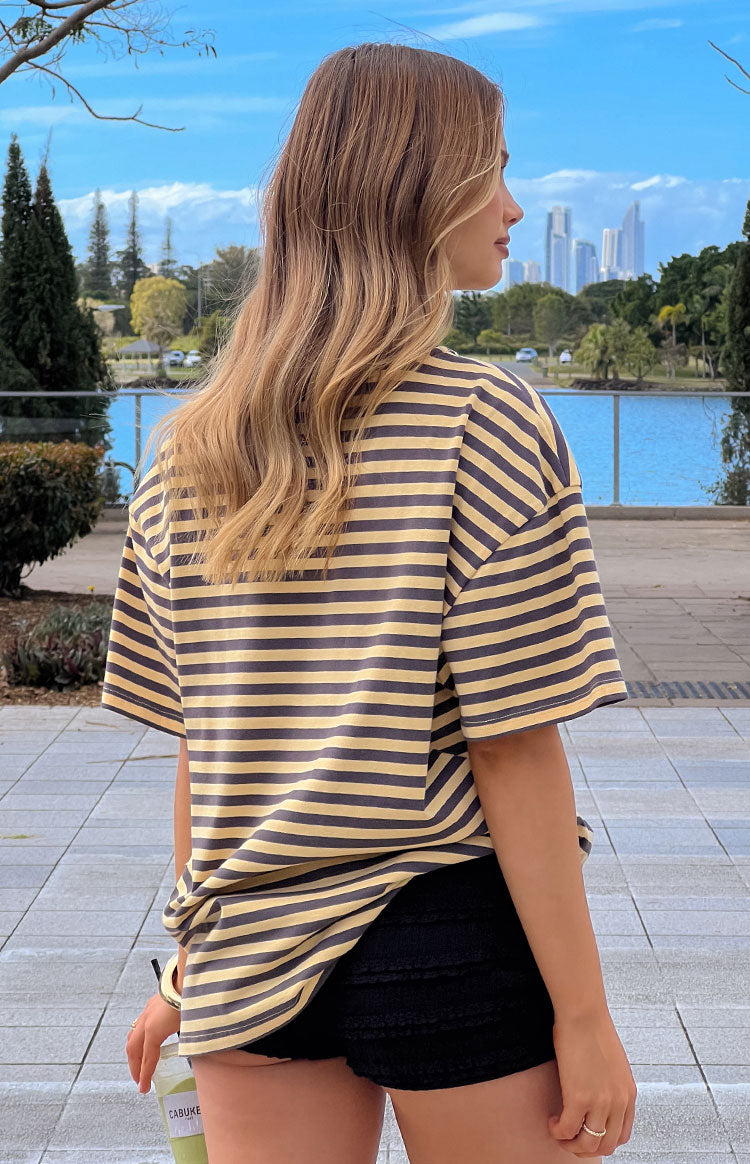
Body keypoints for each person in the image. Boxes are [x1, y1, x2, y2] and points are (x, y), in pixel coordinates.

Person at [108, 41, 637, 1164]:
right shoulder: (484, 422)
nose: (513, 204)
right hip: (439, 928)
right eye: (490, 169)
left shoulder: (181, 454)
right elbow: (512, 745)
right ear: (413, 190)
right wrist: (585, 1020)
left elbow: (208, 751)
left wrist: (187, 969)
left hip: (249, 957)